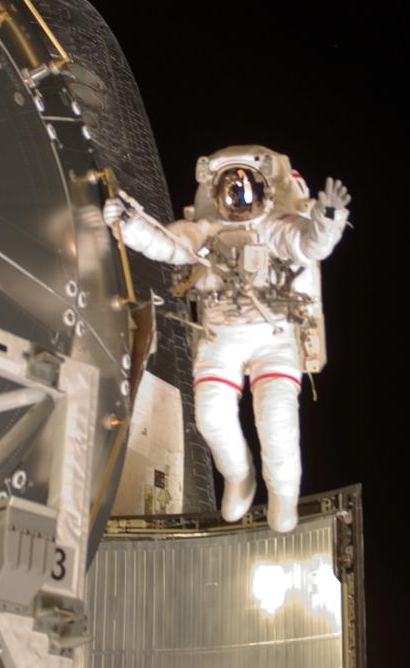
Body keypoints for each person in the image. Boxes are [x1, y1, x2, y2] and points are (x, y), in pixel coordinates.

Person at [102, 145, 350, 532]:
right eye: (229, 188)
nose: (237, 195)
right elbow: (166, 243)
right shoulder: (205, 231)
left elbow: (310, 244)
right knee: (211, 416)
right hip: (223, 334)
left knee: (278, 420)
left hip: (275, 334)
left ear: (263, 189)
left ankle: (283, 493)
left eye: (245, 187)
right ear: (216, 193)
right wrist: (130, 223)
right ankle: (239, 475)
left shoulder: (277, 227)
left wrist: (327, 218)